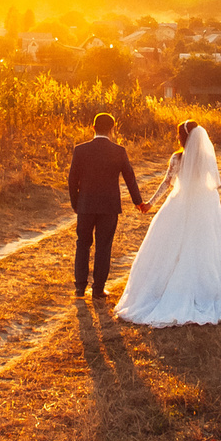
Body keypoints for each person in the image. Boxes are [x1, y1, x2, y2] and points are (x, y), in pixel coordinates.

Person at [114, 121, 221, 327]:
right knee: (207, 248)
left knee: (169, 247)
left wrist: (150, 204)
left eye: (178, 135)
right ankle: (206, 291)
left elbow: (167, 183)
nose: (177, 138)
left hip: (178, 205)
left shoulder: (177, 158)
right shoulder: (206, 158)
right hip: (204, 207)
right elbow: (211, 184)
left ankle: (165, 290)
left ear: (183, 137)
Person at [67, 111, 146, 300]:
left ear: (92, 127)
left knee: (83, 244)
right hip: (109, 206)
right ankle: (98, 289)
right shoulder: (118, 151)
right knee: (104, 246)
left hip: (85, 205)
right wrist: (138, 201)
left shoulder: (80, 150)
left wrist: (76, 203)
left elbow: (72, 179)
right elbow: (130, 178)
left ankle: (79, 288)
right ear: (112, 129)